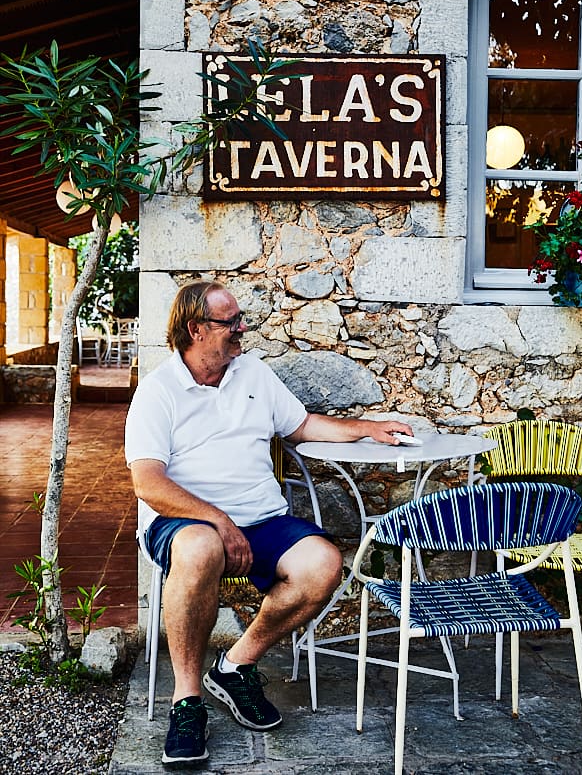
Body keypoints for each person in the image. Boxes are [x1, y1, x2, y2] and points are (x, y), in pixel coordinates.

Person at [125, 280, 413, 767]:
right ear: (196, 329)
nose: (243, 329)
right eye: (231, 322)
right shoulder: (159, 391)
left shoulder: (252, 373)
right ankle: (187, 701)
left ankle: (236, 665)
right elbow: (148, 483)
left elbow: (300, 426)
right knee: (200, 550)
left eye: (239, 319)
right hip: (186, 524)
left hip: (261, 519)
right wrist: (219, 522)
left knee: (322, 564)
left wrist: (369, 428)